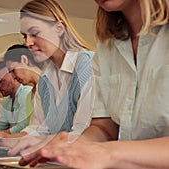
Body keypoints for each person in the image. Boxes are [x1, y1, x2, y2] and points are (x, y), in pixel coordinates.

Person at [14, 0, 169, 168]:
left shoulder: (84, 63)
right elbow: (104, 128)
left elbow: (107, 148)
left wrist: (107, 152)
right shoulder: (107, 45)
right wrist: (75, 145)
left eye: (35, 33)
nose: (28, 42)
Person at [0, 0, 94, 146]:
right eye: (25, 36)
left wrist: (4, 138)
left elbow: (83, 135)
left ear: (59, 28)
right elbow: (38, 131)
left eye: (35, 33)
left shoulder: (88, 65)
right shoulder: (45, 78)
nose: (28, 43)